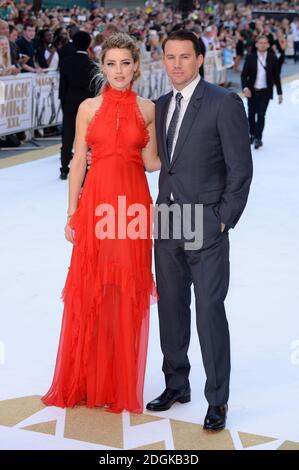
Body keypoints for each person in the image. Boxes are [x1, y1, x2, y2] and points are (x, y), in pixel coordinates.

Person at [42, 32, 160, 414]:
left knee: (126, 291)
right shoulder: (88, 108)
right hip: (95, 207)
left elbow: (152, 161)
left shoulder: (147, 109)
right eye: (111, 63)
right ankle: (88, 378)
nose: (119, 71)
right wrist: (71, 211)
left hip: (133, 209)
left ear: (136, 66)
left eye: (126, 63)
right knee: (91, 288)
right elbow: (78, 161)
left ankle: (118, 380)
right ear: (102, 66)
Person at [146, 30, 253, 432]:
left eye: (184, 57)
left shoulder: (224, 103)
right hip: (168, 221)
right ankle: (176, 385)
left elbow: (241, 169)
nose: (176, 64)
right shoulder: (159, 105)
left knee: (209, 312)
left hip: (207, 223)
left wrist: (223, 218)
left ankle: (217, 399)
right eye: (170, 57)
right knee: (172, 308)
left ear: (200, 59)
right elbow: (163, 163)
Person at [58, 31, 96, 180]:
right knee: (87, 137)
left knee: (67, 136)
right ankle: (87, 167)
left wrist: (64, 104)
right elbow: (94, 89)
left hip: (69, 104)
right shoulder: (92, 65)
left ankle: (64, 168)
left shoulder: (65, 62)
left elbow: (62, 88)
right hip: (87, 106)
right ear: (89, 44)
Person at [241, 34, 283, 150]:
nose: (263, 45)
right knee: (251, 115)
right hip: (252, 91)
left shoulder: (272, 58)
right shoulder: (250, 57)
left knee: (261, 115)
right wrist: (245, 88)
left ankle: (258, 138)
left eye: (265, 43)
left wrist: (280, 93)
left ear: (268, 45)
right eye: (260, 43)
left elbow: (276, 77)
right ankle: (252, 134)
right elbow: (244, 75)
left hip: (265, 92)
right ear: (256, 44)